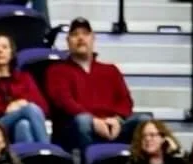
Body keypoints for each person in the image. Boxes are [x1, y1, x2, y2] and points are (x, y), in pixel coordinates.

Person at [47, 18, 137, 153]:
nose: (80, 38)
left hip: (111, 125)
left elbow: (126, 101)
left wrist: (117, 120)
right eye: (75, 34)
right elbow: (64, 102)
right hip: (74, 128)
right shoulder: (56, 70)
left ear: (93, 38)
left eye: (85, 33)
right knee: (83, 121)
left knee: (143, 121)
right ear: (68, 41)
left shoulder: (111, 70)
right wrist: (94, 120)